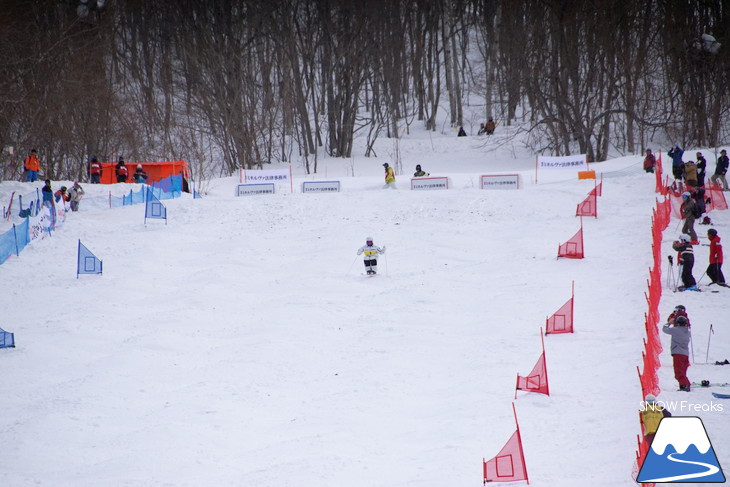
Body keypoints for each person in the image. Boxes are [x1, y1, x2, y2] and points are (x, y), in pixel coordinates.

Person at [663, 314, 692, 391]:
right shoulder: (687, 331)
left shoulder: (676, 330)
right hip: (685, 354)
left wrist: (669, 323)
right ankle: (685, 384)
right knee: (683, 371)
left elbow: (664, 329)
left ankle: (685, 385)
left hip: (678, 353)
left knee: (678, 372)